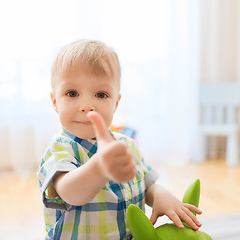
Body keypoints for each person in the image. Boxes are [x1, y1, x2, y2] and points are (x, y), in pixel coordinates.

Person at [37, 40, 202, 239]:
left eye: (101, 94)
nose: (87, 105)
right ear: (55, 101)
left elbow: (145, 183)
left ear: (116, 102)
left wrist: (159, 194)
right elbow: (70, 192)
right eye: (72, 93)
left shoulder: (127, 146)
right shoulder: (60, 149)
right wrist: (99, 168)